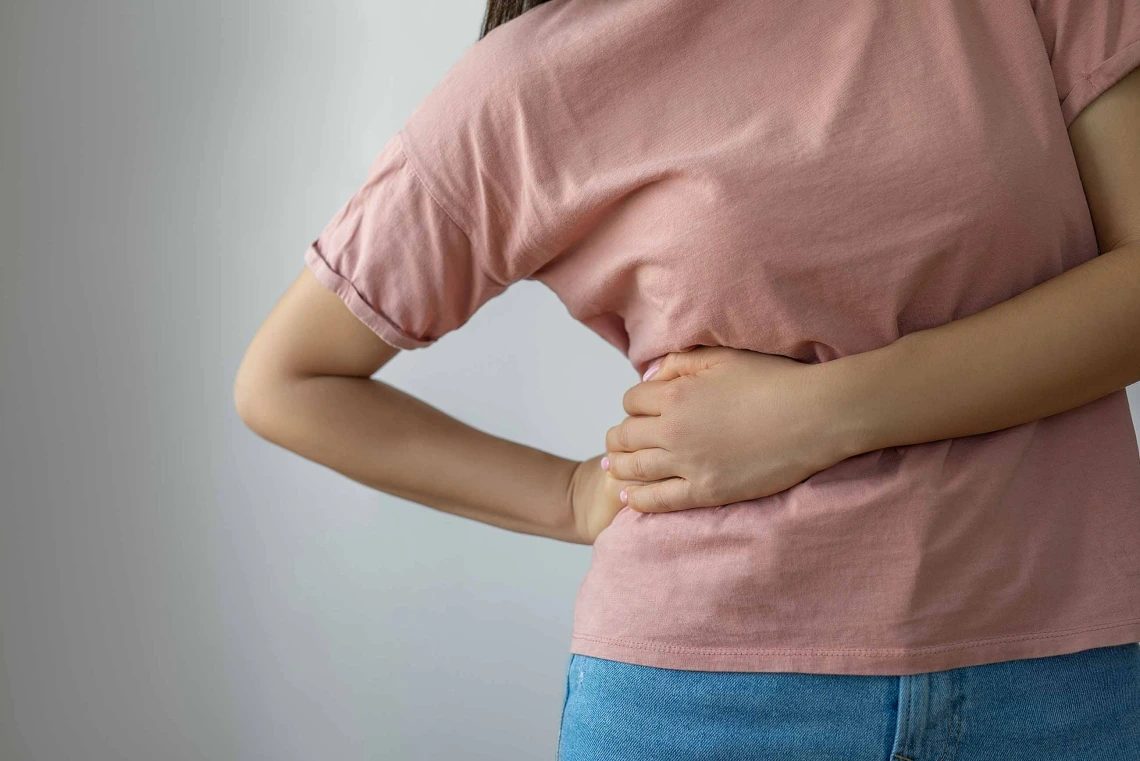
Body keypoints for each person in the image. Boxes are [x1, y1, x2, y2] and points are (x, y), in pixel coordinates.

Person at [234, 0, 1140, 757]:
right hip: (705, 703)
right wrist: (572, 495)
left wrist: (826, 414)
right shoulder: (526, 85)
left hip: (1072, 678)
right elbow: (288, 379)